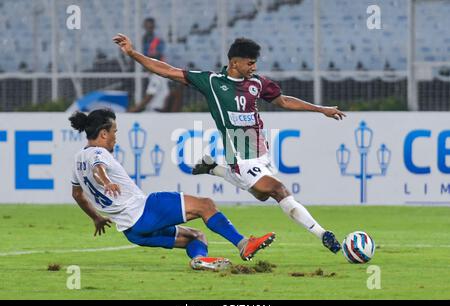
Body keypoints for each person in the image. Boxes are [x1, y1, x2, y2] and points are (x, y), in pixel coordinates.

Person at [113, 34, 346, 254]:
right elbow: (167, 71)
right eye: (250, 63)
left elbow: (283, 101)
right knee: (278, 190)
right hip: (240, 157)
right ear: (234, 62)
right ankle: (323, 234)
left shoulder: (258, 83)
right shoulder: (212, 82)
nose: (254, 67)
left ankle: (214, 168)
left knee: (262, 195)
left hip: (260, 152)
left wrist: (320, 109)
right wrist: (133, 53)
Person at [69, 108, 275, 271]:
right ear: (103, 133)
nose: (116, 137)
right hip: (145, 211)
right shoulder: (99, 153)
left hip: (132, 232)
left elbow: (77, 194)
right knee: (206, 205)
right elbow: (98, 169)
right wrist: (106, 182)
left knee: (196, 237)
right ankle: (242, 244)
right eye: (114, 132)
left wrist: (96, 218)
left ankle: (200, 260)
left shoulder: (78, 159)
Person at [128, 18, 170, 113]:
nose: (149, 28)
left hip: (154, 111)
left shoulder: (157, 41)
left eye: (150, 26)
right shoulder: (142, 40)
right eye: (147, 26)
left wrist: (135, 109)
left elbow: (149, 96)